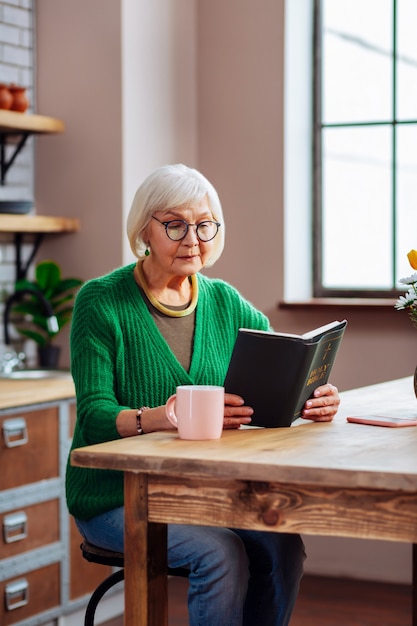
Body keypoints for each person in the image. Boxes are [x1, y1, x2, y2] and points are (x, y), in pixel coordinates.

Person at [66, 163, 340, 626]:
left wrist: (314, 395)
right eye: (174, 224)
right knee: (220, 552)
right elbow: (93, 416)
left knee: (282, 544)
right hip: (117, 496)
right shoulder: (101, 301)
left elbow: (281, 367)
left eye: (204, 224)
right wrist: (166, 416)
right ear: (144, 230)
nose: (192, 238)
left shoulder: (225, 301)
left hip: (202, 490)